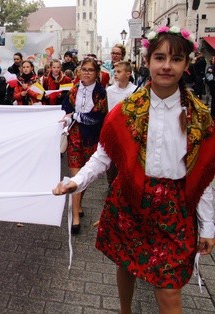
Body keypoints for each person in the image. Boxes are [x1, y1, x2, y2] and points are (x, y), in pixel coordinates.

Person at [52, 25, 215, 313]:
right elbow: (103, 157)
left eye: (176, 59)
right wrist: (75, 181)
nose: (167, 66)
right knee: (126, 264)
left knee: (169, 289)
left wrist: (208, 225)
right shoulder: (127, 111)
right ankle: (125, 310)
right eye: (160, 58)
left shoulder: (200, 117)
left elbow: (203, 175)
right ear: (148, 61)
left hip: (175, 208)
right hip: (129, 200)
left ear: (186, 64)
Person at [61, 56, 108, 234]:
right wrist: (67, 117)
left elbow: (97, 117)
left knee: (85, 176)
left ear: (97, 73)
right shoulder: (73, 90)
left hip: (91, 139)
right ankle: (75, 217)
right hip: (74, 137)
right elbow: (66, 108)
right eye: (84, 69)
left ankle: (78, 204)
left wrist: (75, 116)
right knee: (75, 175)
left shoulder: (101, 93)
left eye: (90, 70)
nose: (86, 73)